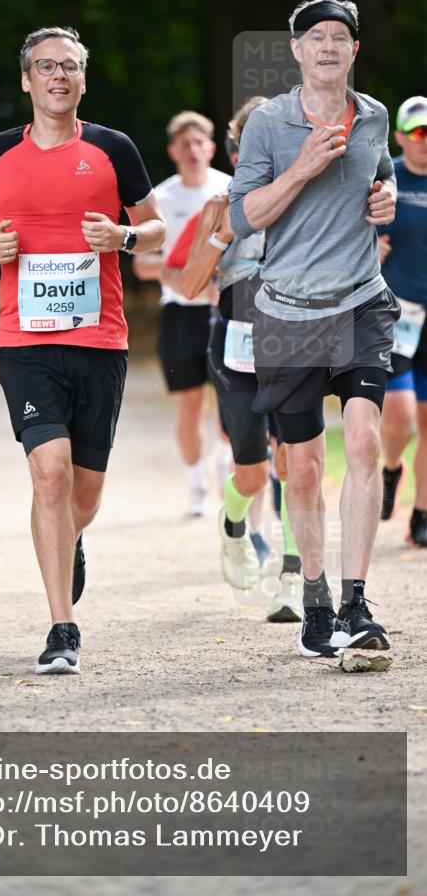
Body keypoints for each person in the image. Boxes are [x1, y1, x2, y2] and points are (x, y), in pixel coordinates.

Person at [0, 25, 165, 674]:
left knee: (83, 496)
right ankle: (61, 628)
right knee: (48, 472)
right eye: (45, 66)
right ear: (26, 79)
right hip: (25, 341)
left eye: (69, 66)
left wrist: (121, 239)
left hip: (99, 339)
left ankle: (68, 540)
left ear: (82, 78)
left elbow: (154, 230)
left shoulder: (112, 149)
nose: (57, 76)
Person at [229, 0, 399, 657]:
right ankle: (316, 596)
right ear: (296, 50)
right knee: (299, 469)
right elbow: (245, 216)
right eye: (314, 38)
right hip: (287, 313)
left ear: (353, 49)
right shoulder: (270, 125)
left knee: (361, 444)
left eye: (339, 38)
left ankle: (356, 603)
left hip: (359, 300)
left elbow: (374, 179)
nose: (327, 48)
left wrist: (381, 200)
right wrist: (300, 168)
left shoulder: (374, 116)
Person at [164, 97, 302, 622]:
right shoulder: (217, 205)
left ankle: (293, 578)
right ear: (237, 148)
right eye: (253, 144)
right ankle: (233, 523)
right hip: (235, 348)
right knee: (252, 472)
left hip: (294, 347)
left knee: (293, 463)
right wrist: (221, 235)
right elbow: (190, 282)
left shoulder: (305, 200)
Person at [133, 112, 229, 515]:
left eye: (199, 143)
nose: (192, 151)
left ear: (210, 147)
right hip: (180, 314)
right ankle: (195, 483)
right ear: (172, 151)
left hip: (225, 311)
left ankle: (226, 463)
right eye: (184, 144)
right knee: (190, 406)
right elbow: (143, 265)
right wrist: (186, 276)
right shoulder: (161, 198)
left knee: (232, 401)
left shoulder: (230, 189)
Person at [378, 96, 427, 547]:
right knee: (401, 418)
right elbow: (355, 233)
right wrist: (371, 249)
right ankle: (390, 467)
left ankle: (422, 513)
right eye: (417, 132)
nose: (424, 141)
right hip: (398, 311)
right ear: (400, 137)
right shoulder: (386, 178)